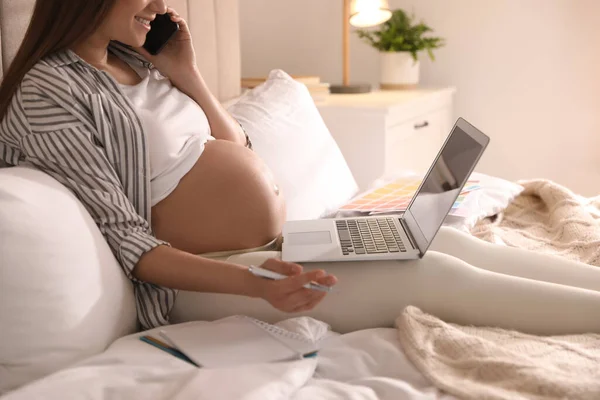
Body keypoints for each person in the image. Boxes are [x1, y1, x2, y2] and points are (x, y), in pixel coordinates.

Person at [0, 0, 598, 334]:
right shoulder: (47, 90)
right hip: (206, 276)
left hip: (282, 240)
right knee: (438, 275)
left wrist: (188, 75)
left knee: (451, 246)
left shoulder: (141, 62)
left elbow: (239, 151)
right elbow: (129, 243)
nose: (161, 5)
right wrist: (262, 283)